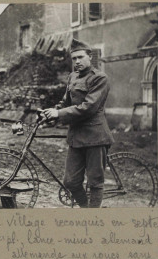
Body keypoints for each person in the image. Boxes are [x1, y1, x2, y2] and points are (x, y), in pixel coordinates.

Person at [42, 40, 114, 208]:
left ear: (90, 57)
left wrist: (59, 113)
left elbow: (88, 107)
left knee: (95, 182)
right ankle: (86, 208)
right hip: (76, 138)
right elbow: (65, 103)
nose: (77, 62)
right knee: (71, 182)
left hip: (96, 137)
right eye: (74, 58)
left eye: (80, 57)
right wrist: (51, 112)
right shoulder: (72, 77)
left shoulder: (100, 79)